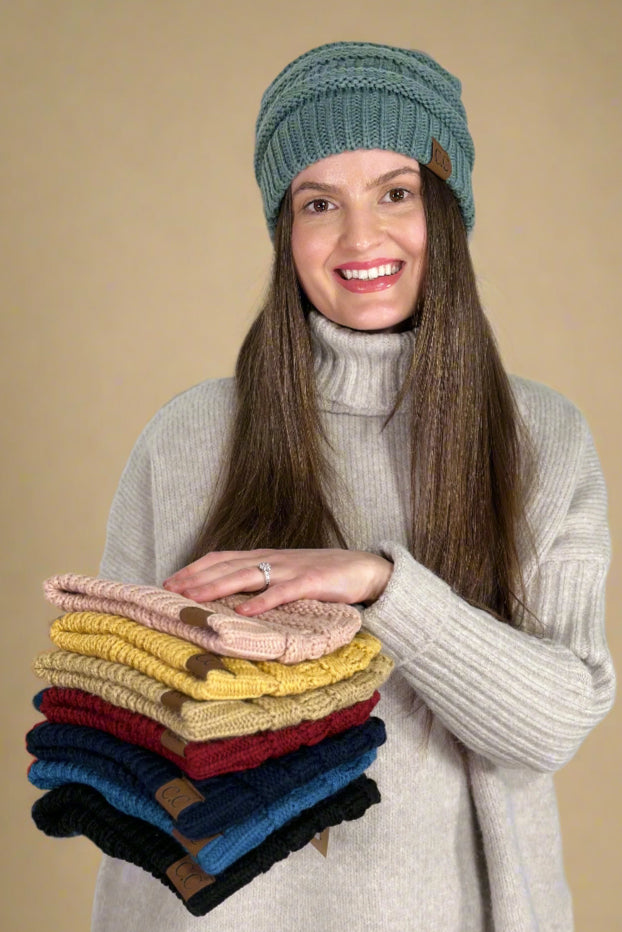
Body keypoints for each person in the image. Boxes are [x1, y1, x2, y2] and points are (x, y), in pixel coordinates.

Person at [91, 41, 615, 931]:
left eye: (396, 193)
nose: (360, 238)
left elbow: (551, 728)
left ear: (444, 210)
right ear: (284, 230)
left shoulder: (543, 438)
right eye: (319, 202)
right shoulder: (186, 440)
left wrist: (383, 585)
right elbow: (132, 764)